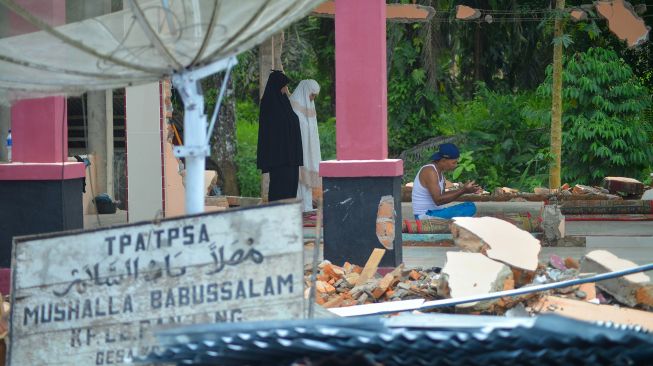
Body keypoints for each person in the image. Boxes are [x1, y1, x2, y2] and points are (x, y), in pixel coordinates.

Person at [257, 70, 303, 201]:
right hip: (278, 158)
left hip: (291, 157)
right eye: (283, 85)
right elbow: (270, 132)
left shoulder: (284, 102)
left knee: (290, 186)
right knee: (280, 187)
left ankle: (289, 215)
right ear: (277, 85)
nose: (285, 89)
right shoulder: (269, 104)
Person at [411, 143, 481, 219]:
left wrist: (466, 191)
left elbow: (443, 195)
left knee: (469, 206)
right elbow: (438, 200)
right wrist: (463, 190)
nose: (456, 165)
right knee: (469, 208)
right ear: (443, 160)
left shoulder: (439, 172)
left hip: (437, 213)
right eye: (454, 162)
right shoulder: (430, 171)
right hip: (425, 216)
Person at [289, 79, 321, 212]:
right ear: (306, 91)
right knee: (297, 180)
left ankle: (306, 206)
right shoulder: (293, 105)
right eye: (312, 95)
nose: (313, 98)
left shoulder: (309, 105)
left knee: (305, 180)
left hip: (307, 149)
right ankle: (299, 207)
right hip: (297, 149)